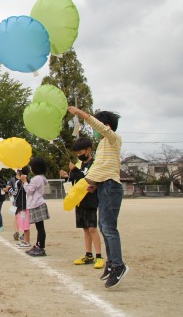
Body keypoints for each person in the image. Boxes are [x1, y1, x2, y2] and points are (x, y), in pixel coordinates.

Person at [68, 106, 128, 289]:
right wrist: (93, 183)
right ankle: (111, 264)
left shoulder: (113, 138)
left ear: (106, 126)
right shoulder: (103, 145)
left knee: (108, 228)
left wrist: (80, 113)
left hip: (111, 186)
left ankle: (118, 265)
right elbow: (100, 166)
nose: (95, 131)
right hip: (103, 186)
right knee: (103, 226)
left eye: (98, 126)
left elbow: (99, 126)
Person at [60, 137, 104, 269]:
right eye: (77, 154)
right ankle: (88, 255)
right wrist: (67, 176)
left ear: (89, 150)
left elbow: (87, 179)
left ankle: (99, 256)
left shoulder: (95, 164)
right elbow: (75, 181)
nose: (79, 156)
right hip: (79, 201)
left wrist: (74, 171)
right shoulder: (79, 165)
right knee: (85, 229)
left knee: (92, 228)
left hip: (90, 199)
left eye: (81, 153)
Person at [22, 157, 50, 257]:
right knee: (39, 227)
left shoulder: (37, 178)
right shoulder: (40, 178)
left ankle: (40, 247)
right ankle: (38, 245)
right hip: (37, 203)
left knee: (40, 227)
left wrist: (25, 182)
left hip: (37, 204)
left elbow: (29, 190)